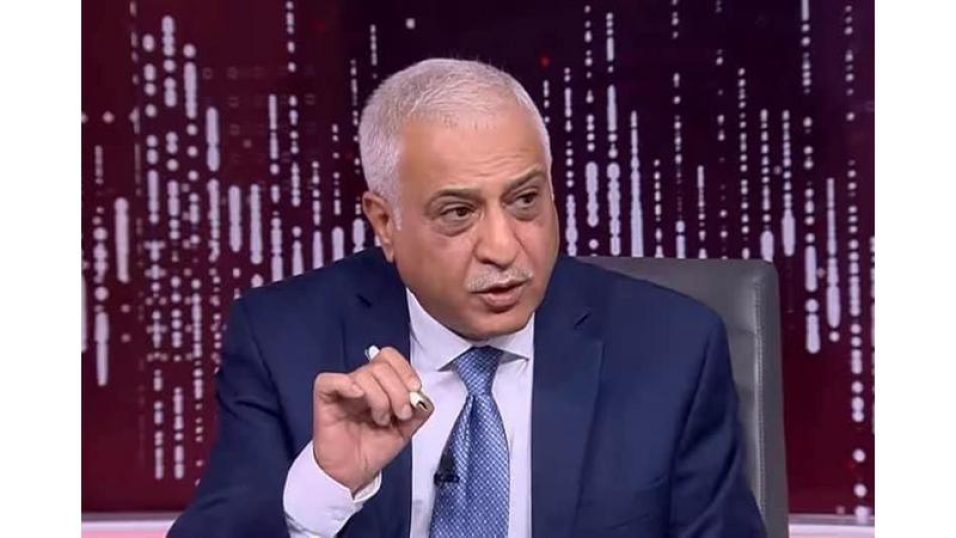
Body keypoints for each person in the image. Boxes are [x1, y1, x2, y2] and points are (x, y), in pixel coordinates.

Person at [169, 58, 765, 538]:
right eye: (458, 212)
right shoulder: (284, 341)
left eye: (526, 201)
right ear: (384, 223)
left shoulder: (672, 350)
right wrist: (325, 485)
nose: (504, 248)